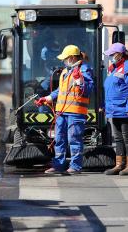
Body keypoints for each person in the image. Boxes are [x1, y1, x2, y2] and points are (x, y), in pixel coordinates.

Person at [35, 45, 94, 174]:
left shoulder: (84, 69)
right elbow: (61, 90)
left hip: (75, 112)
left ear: (72, 58)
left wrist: (80, 81)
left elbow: (88, 90)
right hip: (62, 111)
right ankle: (58, 165)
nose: (63, 61)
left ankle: (75, 166)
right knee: (59, 139)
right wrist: (48, 98)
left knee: (74, 139)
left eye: (65, 58)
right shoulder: (66, 71)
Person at [102, 42, 128, 176]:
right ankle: (119, 164)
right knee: (118, 138)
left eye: (112, 54)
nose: (111, 57)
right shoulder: (114, 68)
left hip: (126, 109)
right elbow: (110, 90)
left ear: (119, 54)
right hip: (115, 109)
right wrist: (105, 107)